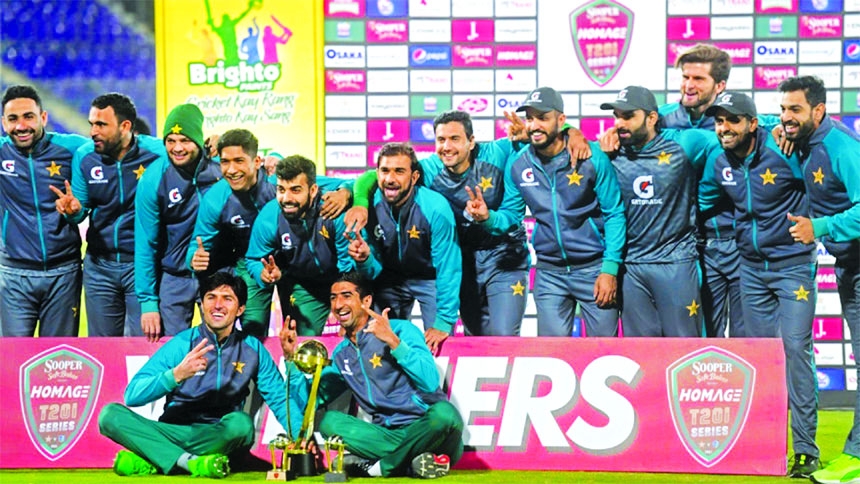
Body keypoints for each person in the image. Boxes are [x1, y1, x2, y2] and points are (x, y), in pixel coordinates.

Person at [700, 91, 820, 479]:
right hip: (749, 269)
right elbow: (701, 203)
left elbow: (822, 187)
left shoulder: (787, 149)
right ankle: (762, 446)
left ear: (753, 123)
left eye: (733, 120)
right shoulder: (719, 162)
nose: (724, 128)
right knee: (758, 359)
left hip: (793, 268)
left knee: (796, 352)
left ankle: (805, 450)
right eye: (719, 121)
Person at [98, 271, 303, 478]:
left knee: (242, 425)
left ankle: (158, 457)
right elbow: (132, 395)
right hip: (174, 431)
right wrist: (176, 375)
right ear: (202, 305)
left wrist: (300, 437)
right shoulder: (182, 344)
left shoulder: (252, 349)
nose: (217, 305)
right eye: (211, 297)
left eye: (227, 299)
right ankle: (192, 462)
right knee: (110, 416)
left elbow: (279, 398)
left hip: (218, 434)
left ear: (240, 309)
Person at [350, 111, 530, 336]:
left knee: (504, 337)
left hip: (504, 258)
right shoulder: (429, 169)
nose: (447, 146)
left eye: (455, 139)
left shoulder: (498, 152)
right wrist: (355, 200)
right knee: (475, 338)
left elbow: (544, 141)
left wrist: (541, 135)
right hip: (465, 262)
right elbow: (372, 177)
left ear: (471, 141)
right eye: (441, 139)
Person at [468, 87, 625, 337]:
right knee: (553, 358)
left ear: (561, 121)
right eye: (530, 118)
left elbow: (614, 213)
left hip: (594, 269)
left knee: (604, 354)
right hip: (550, 274)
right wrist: (489, 218)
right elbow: (511, 215)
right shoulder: (519, 163)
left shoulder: (591, 157)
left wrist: (610, 269)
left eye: (543, 117)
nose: (534, 125)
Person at [279, 271, 463, 479]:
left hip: (429, 429)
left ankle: (381, 467)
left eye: (346, 296)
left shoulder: (402, 330)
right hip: (385, 436)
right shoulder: (342, 355)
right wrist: (291, 359)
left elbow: (430, 383)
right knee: (330, 422)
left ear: (366, 300)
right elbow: (306, 401)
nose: (338, 305)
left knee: (445, 414)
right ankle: (413, 463)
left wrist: (394, 342)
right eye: (333, 298)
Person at [774, 76, 860, 484]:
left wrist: (819, 226)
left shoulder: (840, 146)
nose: (786, 117)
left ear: (819, 111)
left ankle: (857, 458)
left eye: (795, 110)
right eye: (783, 109)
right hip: (851, 267)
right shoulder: (806, 140)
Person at [599, 86, 721, 337]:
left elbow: (731, 134)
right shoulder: (609, 151)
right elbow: (563, 145)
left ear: (652, 118)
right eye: (617, 116)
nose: (620, 123)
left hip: (676, 264)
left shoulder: (684, 143)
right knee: (643, 357)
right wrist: (572, 133)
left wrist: (773, 128)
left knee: (685, 351)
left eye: (628, 116)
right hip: (632, 269)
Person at [52, 93, 166, 337]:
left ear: (125, 126)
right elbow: (80, 210)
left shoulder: (158, 153)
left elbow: (197, 156)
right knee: (103, 349)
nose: (93, 131)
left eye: (101, 125)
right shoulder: (85, 157)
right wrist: (73, 212)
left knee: (142, 346)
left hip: (142, 267)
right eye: (92, 124)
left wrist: (271, 159)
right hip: (99, 268)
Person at [347, 142, 461, 353]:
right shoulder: (367, 205)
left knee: (440, 344)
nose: (390, 179)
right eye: (384, 171)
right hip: (389, 279)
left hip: (430, 278)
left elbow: (449, 267)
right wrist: (364, 260)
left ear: (414, 177)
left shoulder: (435, 207)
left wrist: (444, 321)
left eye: (399, 171)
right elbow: (373, 271)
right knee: (379, 345)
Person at [663, 44, 742, 338]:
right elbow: (622, 130)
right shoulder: (660, 119)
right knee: (700, 338)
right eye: (685, 77)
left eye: (698, 79)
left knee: (749, 339)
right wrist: (572, 132)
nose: (689, 85)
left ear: (720, 86)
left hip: (737, 242)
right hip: (689, 246)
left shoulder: (735, 120)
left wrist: (777, 128)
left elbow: (771, 124)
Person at [245, 154, 369, 335]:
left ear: (313, 190)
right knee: (302, 345)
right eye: (281, 189)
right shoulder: (270, 217)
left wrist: (345, 308)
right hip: (305, 286)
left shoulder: (334, 210)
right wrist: (262, 274)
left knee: (358, 337)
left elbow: (349, 271)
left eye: (295, 190)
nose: (286, 198)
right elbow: (254, 258)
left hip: (344, 279)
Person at [0, 85, 88, 336]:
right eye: (13, 119)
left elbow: (118, 148)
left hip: (64, 274)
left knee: (58, 361)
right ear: (4, 123)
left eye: (29, 116)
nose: (21, 126)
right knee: (13, 362)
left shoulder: (72, 149)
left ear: (44, 118)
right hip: (14, 276)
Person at [135, 104, 222, 341]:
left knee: (223, 352)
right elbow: (145, 244)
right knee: (172, 355)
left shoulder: (221, 168)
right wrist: (148, 303)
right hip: (173, 279)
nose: (177, 148)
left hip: (217, 278)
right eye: (170, 140)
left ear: (198, 140)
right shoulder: (153, 179)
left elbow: (263, 171)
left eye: (184, 140)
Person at [186, 128, 276, 340]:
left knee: (256, 337)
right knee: (225, 335)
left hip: (270, 263)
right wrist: (194, 259)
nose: (231, 170)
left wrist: (346, 192)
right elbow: (197, 244)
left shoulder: (277, 187)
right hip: (235, 266)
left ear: (257, 161)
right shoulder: (216, 198)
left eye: (239, 161)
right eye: (225, 162)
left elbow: (324, 186)